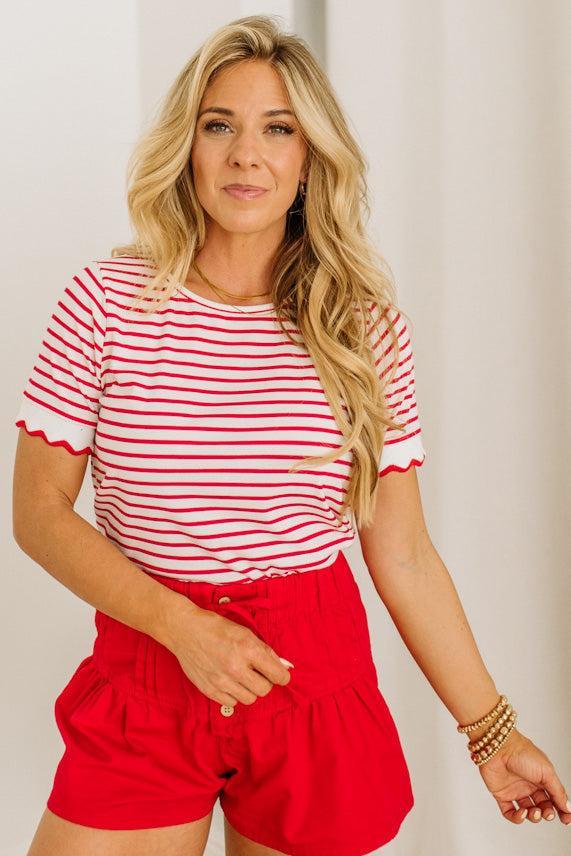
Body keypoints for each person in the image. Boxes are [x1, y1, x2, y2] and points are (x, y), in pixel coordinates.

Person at [12, 13, 570, 856]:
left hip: (312, 678)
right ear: (187, 147)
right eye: (219, 126)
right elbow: (39, 512)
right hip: (148, 671)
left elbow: (404, 552)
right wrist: (178, 626)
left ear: (310, 158)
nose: (246, 154)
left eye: (278, 129)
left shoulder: (362, 329)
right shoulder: (107, 302)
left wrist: (490, 735)